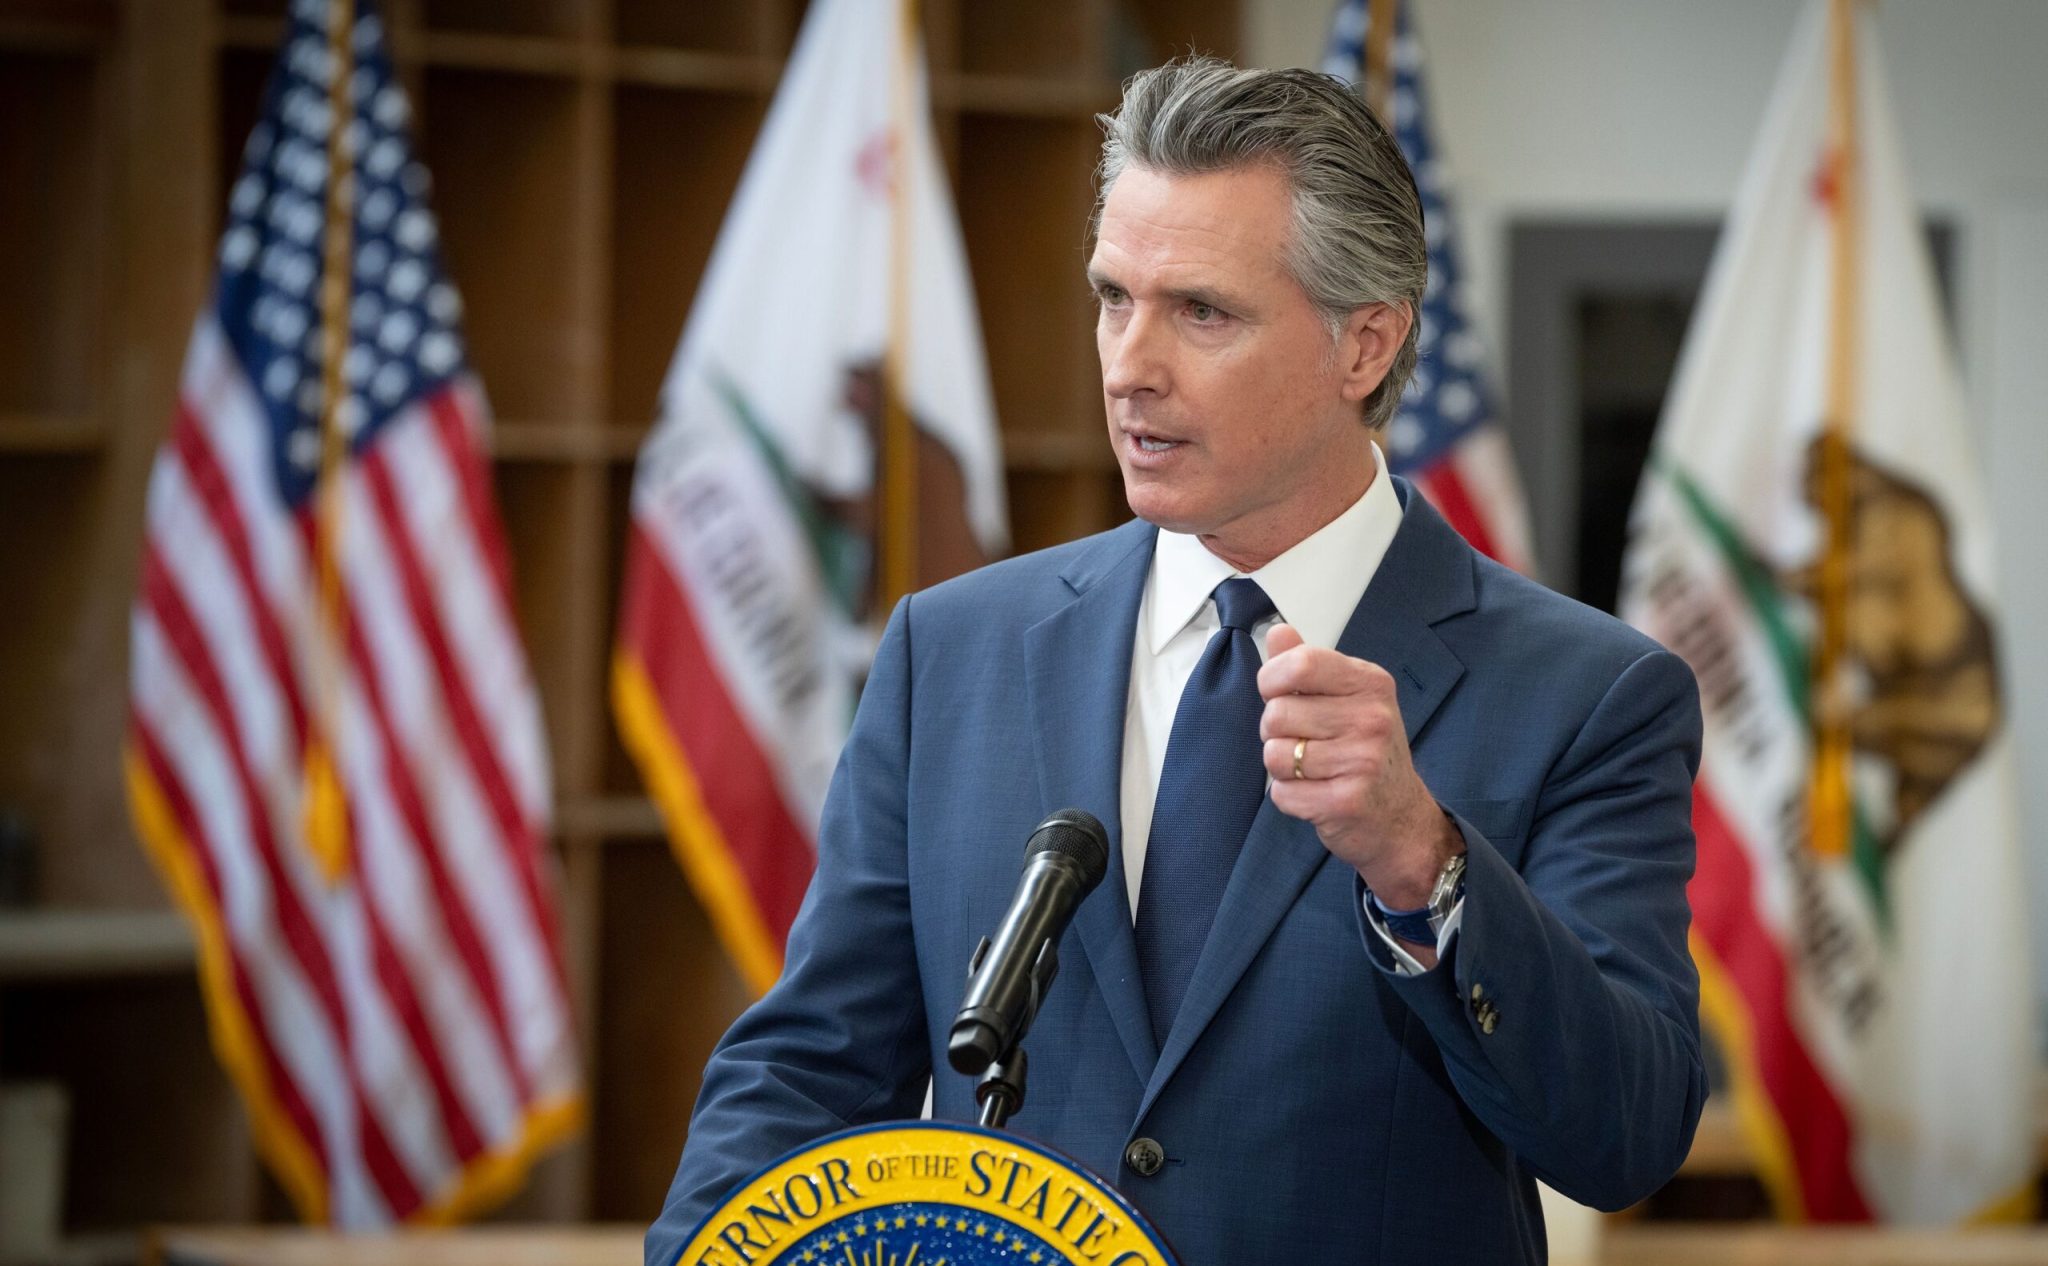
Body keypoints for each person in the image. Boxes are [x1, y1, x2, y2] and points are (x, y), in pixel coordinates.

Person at [647, 57, 1705, 1265]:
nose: (1127, 366)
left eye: (1200, 312)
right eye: (1113, 298)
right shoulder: (951, 653)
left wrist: (1425, 863)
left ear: (1364, 346)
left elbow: (1623, 1136)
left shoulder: (1588, 696)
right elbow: (809, 1071)